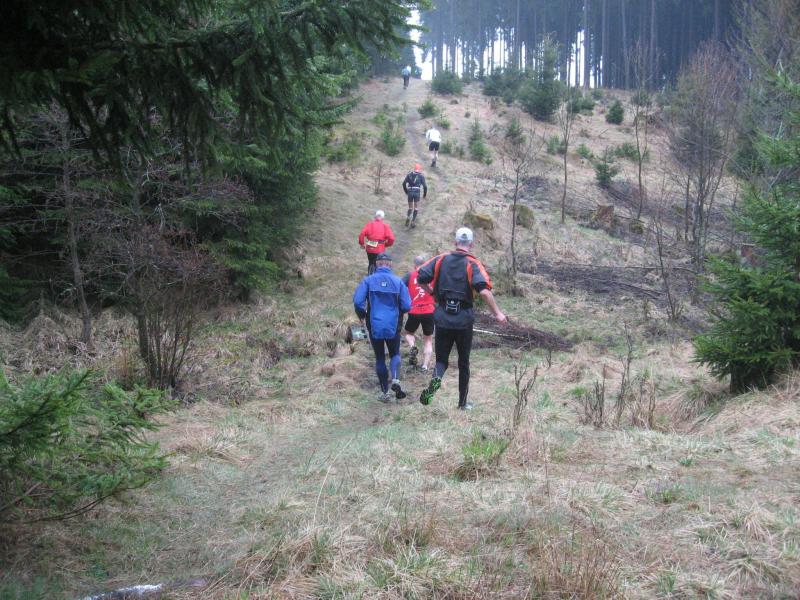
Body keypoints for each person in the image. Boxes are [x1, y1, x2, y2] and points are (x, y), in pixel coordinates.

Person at [416, 227, 507, 410]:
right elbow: (484, 292)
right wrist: (498, 313)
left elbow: (420, 278)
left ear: (455, 242)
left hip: (442, 317)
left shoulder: (440, 259)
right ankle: (462, 403)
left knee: (441, 361)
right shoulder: (473, 263)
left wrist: (432, 293)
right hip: (463, 320)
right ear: (471, 244)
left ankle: (435, 382)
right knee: (463, 363)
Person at [353, 252, 412, 403]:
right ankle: (396, 379)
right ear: (390, 264)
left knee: (379, 357)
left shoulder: (368, 281)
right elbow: (407, 305)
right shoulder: (398, 282)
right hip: (394, 324)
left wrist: (363, 315)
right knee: (395, 353)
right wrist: (397, 311)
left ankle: (385, 392)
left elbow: (358, 302)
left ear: (376, 264)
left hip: (374, 324)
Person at [402, 255, 435, 373]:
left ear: (414, 265)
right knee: (428, 340)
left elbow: (400, 288)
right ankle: (425, 366)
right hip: (429, 310)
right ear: (425, 264)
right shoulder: (432, 276)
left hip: (414, 310)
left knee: (408, 333)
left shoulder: (409, 275)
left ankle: (412, 346)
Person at [358, 210, 395, 275]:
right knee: (378, 265)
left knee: (371, 262)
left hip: (370, 246)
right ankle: (376, 276)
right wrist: (386, 245)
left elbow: (362, 234)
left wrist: (362, 244)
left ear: (375, 216)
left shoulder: (369, 224)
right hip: (380, 248)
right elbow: (392, 239)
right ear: (383, 218)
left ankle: (369, 274)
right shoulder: (385, 226)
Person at [401, 164, 427, 228]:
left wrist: (406, 191)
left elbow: (403, 183)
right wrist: (424, 195)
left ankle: (408, 217)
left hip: (410, 192)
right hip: (417, 192)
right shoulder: (421, 176)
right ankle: (413, 222)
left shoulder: (409, 174)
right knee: (416, 207)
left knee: (410, 207)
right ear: (420, 169)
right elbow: (425, 187)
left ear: (414, 168)